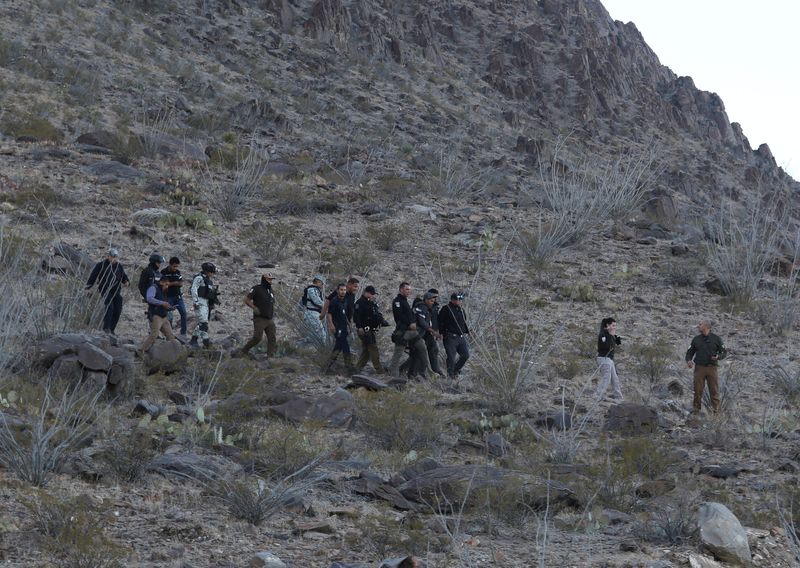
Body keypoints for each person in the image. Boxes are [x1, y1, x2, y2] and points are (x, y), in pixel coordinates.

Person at [685, 320, 727, 414]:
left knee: (714, 391)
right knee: (697, 390)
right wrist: (689, 360)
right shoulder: (696, 339)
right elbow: (689, 352)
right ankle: (696, 412)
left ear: (707, 326)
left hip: (712, 368)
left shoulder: (716, 339)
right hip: (699, 368)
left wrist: (718, 357)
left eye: (700, 324)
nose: (698, 326)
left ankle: (716, 413)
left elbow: (724, 352)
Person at [85, 248, 129, 334]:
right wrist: (88, 288)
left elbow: (124, 277)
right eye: (112, 257)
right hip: (105, 289)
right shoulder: (101, 265)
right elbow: (93, 276)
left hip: (116, 291)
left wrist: (126, 281)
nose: (114, 259)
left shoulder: (119, 266)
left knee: (118, 309)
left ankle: (112, 329)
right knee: (109, 307)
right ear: (108, 256)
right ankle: (106, 328)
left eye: (116, 257)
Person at [388, 282, 427, 379]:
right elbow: (399, 316)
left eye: (409, 289)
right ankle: (393, 376)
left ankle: (424, 372)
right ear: (401, 290)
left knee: (422, 348)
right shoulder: (397, 301)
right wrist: (410, 323)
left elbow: (411, 316)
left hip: (412, 332)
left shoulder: (405, 301)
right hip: (402, 331)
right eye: (406, 289)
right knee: (398, 354)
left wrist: (413, 322)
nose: (409, 291)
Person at [238, 272, 277, 358]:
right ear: (264, 279)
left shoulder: (271, 291)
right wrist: (254, 308)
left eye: (271, 279)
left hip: (269, 318)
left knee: (272, 338)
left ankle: (270, 356)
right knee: (257, 338)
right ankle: (244, 350)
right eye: (268, 279)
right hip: (260, 318)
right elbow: (247, 299)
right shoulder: (256, 288)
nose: (270, 281)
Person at [353, 285, 390, 374]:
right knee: (374, 350)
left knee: (366, 352)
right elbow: (356, 317)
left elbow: (375, 315)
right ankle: (380, 371)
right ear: (366, 293)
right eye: (371, 294)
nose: (373, 296)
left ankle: (356, 370)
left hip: (370, 330)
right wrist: (359, 327)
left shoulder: (371, 303)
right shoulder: (360, 303)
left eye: (373, 294)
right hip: (365, 330)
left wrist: (382, 322)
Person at [139, 276, 176, 353]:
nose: (167, 286)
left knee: (171, 336)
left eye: (168, 285)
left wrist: (170, 307)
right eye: (166, 284)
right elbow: (149, 298)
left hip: (164, 316)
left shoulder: (163, 291)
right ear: (161, 282)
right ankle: (141, 350)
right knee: (154, 334)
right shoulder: (153, 288)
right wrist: (162, 303)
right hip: (156, 315)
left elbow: (163, 303)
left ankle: (170, 353)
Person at [439, 292, 470, 380]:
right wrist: (441, 333)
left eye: (461, 300)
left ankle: (455, 370)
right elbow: (440, 321)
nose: (460, 301)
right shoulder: (446, 309)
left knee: (465, 355)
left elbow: (463, 322)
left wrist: (467, 332)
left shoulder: (461, 309)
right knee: (451, 357)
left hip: (460, 337)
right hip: (450, 336)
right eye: (458, 299)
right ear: (452, 300)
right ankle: (450, 376)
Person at [324, 283, 354, 373]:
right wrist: (331, 325)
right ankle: (349, 368)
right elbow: (329, 314)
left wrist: (349, 325)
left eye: (344, 290)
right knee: (345, 345)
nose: (343, 292)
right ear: (337, 291)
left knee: (338, 347)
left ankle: (327, 366)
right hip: (337, 327)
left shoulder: (345, 301)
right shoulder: (334, 301)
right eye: (341, 290)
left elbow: (345, 314)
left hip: (344, 326)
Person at [414, 291, 444, 377]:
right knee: (418, 354)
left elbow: (433, 320)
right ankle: (420, 373)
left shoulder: (431, 307)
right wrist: (432, 331)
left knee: (434, 349)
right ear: (426, 300)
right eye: (431, 300)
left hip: (427, 334)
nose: (433, 302)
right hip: (418, 334)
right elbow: (421, 321)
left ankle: (436, 370)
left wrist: (436, 331)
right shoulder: (421, 306)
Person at [190, 262, 219, 348]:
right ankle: (206, 341)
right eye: (212, 272)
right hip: (200, 302)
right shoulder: (199, 278)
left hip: (206, 303)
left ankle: (194, 339)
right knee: (203, 323)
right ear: (207, 271)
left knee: (202, 323)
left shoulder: (208, 281)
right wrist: (195, 302)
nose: (213, 274)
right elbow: (194, 289)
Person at [595, 317, 623, 401]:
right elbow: (606, 347)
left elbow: (618, 343)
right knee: (606, 377)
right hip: (604, 358)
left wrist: (614, 335)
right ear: (608, 325)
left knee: (615, 379)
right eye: (613, 325)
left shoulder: (612, 334)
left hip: (610, 360)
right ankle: (597, 394)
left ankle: (619, 397)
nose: (615, 327)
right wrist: (611, 335)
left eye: (615, 325)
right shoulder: (603, 334)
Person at [160, 257, 188, 337]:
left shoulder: (178, 272)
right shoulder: (164, 272)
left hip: (178, 297)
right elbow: (164, 283)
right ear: (170, 264)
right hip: (168, 297)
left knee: (183, 313)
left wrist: (171, 283)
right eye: (174, 266)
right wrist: (174, 283)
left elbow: (181, 283)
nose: (175, 268)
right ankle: (169, 334)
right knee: (169, 316)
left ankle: (183, 333)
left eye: (177, 266)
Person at [300, 275, 327, 343]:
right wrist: (327, 306)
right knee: (321, 335)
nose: (323, 285)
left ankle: (303, 347)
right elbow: (316, 301)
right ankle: (323, 350)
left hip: (312, 314)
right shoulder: (312, 290)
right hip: (312, 314)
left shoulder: (312, 290)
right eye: (322, 283)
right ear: (317, 282)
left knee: (313, 335)